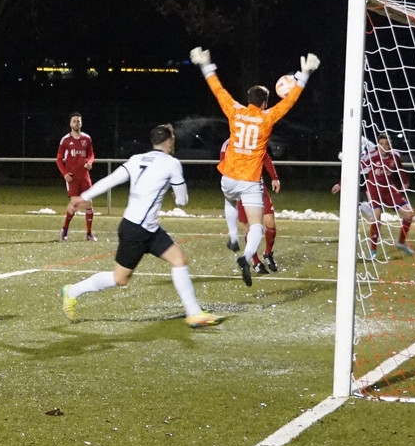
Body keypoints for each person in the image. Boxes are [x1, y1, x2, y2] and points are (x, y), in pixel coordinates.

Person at [59, 123, 220, 328]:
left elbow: (111, 180)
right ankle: (72, 291)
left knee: (179, 259)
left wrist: (83, 197)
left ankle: (194, 314)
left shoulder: (137, 159)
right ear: (170, 141)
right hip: (136, 230)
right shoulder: (172, 164)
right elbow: (182, 201)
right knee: (120, 279)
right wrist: (176, 196)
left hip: (147, 228)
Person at [192, 46, 319, 286]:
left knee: (230, 201)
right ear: (264, 103)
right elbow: (290, 102)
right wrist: (304, 75)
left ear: (248, 100)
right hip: (250, 181)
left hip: (228, 177)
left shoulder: (235, 111)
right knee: (257, 227)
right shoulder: (267, 118)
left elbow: (218, 90)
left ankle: (233, 236)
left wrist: (205, 65)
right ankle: (247, 256)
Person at [332, 133, 415, 258]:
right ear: (377, 145)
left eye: (386, 144)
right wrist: (340, 184)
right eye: (381, 144)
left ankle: (401, 243)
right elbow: (355, 169)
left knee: (409, 214)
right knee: (376, 217)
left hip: (389, 189)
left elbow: (400, 169)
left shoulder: (395, 155)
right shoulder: (371, 156)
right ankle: (373, 251)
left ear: (390, 145)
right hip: (374, 190)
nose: (384, 146)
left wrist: (405, 182)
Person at [220, 138, 280, 274]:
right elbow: (224, 165)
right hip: (240, 188)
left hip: (257, 186)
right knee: (249, 227)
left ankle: (268, 253)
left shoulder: (254, 140)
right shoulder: (227, 145)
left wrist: (274, 177)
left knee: (270, 222)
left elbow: (265, 157)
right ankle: (255, 261)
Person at [56, 112, 96, 241]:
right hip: (72, 177)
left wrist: (90, 162)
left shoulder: (87, 139)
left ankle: (89, 233)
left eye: (78, 121)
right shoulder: (65, 140)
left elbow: (91, 154)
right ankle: (65, 229)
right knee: (74, 203)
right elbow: (59, 159)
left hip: (84, 176)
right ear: (70, 123)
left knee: (89, 203)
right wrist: (65, 174)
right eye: (74, 121)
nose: (76, 123)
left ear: (81, 123)